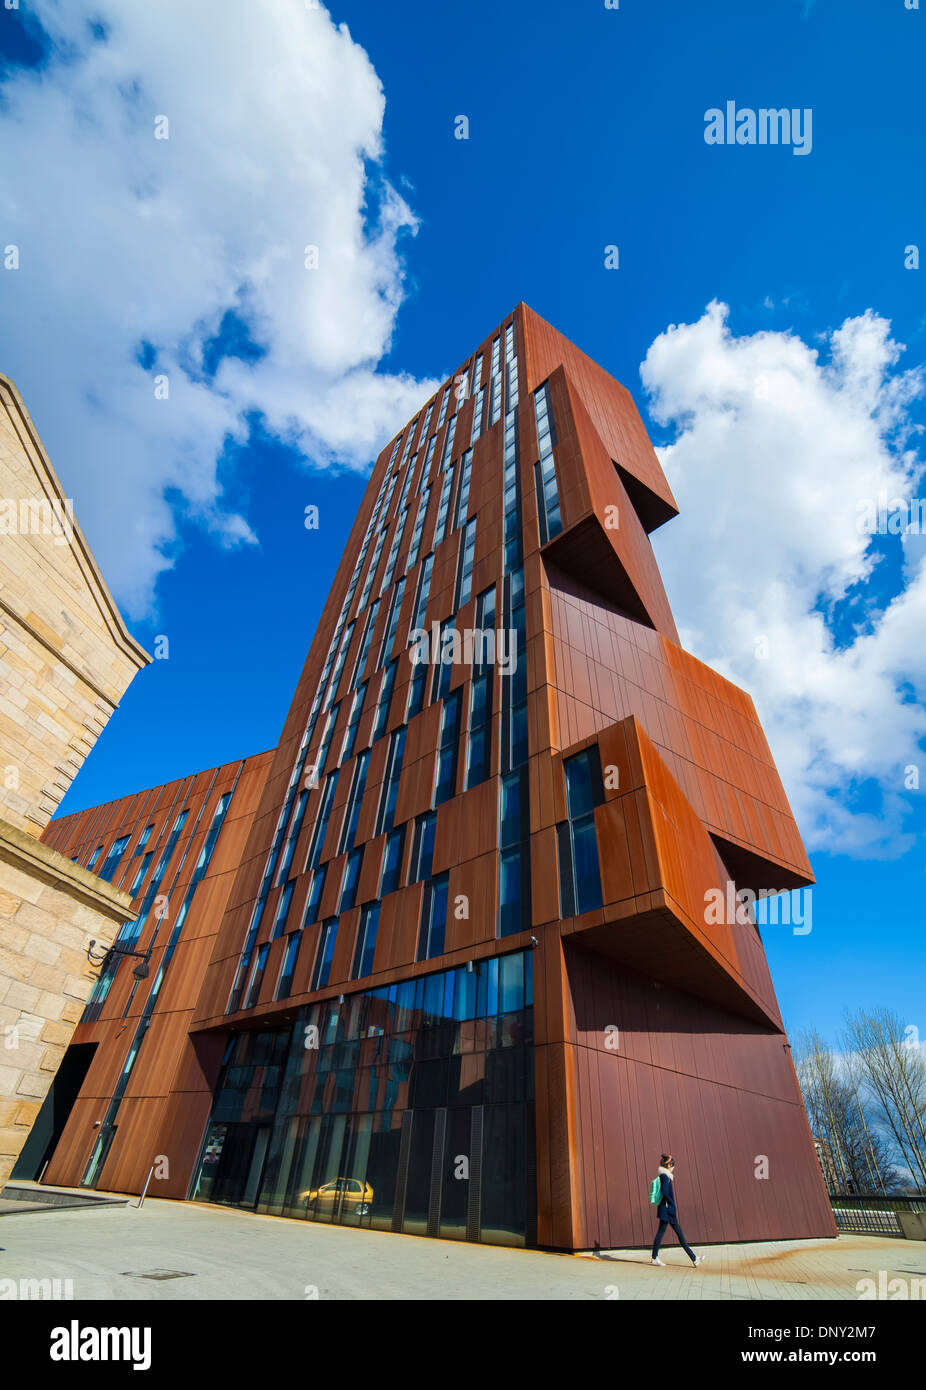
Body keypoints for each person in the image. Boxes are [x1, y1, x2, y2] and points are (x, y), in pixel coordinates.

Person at [650, 1154, 705, 1267]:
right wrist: (671, 1203)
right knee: (679, 1235)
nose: (674, 1167)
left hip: (664, 1209)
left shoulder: (663, 1176)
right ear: (668, 1165)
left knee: (663, 1233)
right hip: (667, 1210)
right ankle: (694, 1259)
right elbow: (665, 1192)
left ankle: (655, 1258)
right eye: (673, 1165)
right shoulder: (666, 1177)